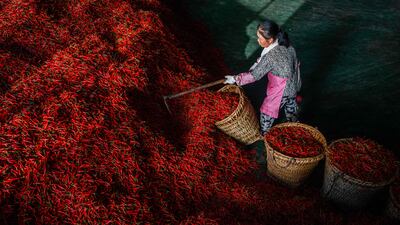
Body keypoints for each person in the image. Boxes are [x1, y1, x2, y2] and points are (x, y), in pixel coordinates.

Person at [224, 19, 301, 136]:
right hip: (295, 83)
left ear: (270, 40)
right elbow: (264, 61)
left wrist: (235, 79)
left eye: (260, 38)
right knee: (291, 105)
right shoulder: (287, 45)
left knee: (267, 110)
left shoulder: (271, 56)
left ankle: (264, 133)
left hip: (282, 88)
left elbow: (255, 75)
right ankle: (295, 124)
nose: (258, 40)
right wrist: (258, 64)